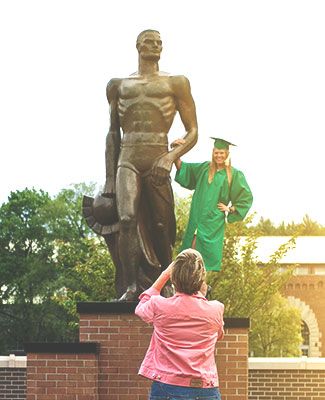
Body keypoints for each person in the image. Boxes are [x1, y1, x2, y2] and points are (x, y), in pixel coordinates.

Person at [100, 29, 198, 300]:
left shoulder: (176, 83)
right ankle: (131, 287)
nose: (154, 45)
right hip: (128, 158)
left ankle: (167, 282)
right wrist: (110, 178)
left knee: (162, 225)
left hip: (157, 155)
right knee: (127, 219)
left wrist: (168, 158)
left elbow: (193, 132)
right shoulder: (118, 85)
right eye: (149, 41)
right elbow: (112, 133)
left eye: (159, 42)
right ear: (137, 46)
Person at [135, 248, 224, 400]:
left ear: (173, 277)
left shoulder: (158, 305)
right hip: (205, 388)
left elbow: (141, 307)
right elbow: (219, 336)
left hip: (166, 387)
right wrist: (201, 294)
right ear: (201, 278)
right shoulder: (216, 308)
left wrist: (164, 275)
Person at [172, 137, 253, 271]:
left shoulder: (234, 174)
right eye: (216, 152)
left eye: (222, 153)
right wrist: (176, 152)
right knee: (188, 256)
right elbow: (184, 169)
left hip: (213, 221)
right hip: (196, 217)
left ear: (227, 153)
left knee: (203, 261)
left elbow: (246, 197)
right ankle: (189, 286)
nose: (219, 155)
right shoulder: (204, 168)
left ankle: (200, 288)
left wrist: (231, 208)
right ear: (213, 152)